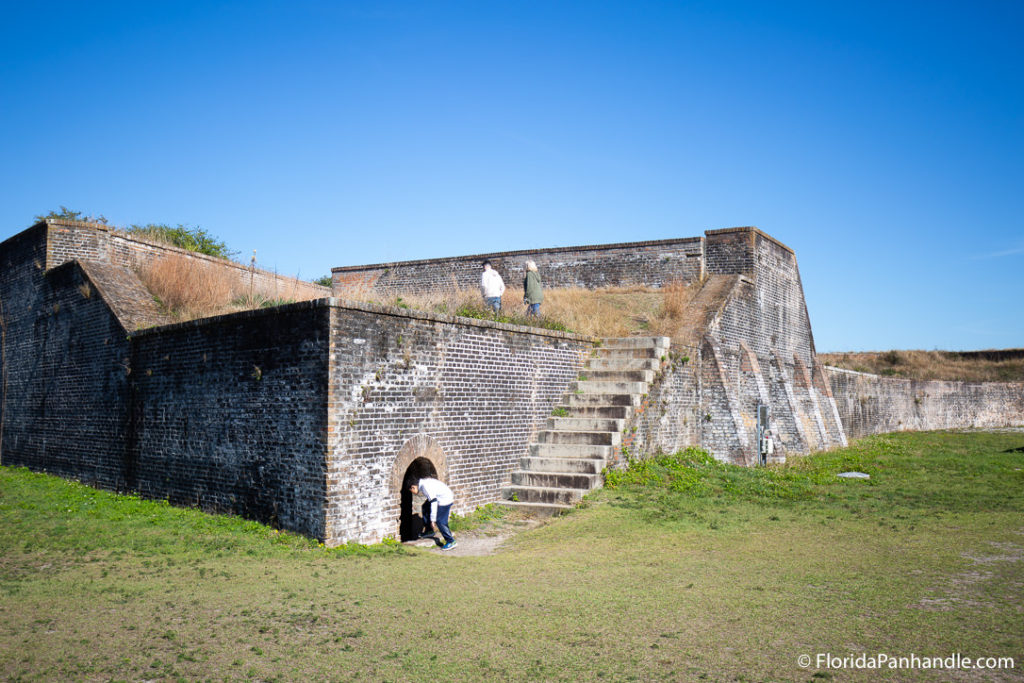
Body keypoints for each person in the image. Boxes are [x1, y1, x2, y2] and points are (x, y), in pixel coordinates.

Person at [409, 476, 457, 550]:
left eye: (411, 491)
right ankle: (429, 531)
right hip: (441, 496)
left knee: (440, 521)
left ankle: (451, 541)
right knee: (425, 507)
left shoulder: (425, 487)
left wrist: (433, 520)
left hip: (445, 499)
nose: (413, 493)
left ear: (413, 487)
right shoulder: (422, 483)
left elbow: (434, 502)